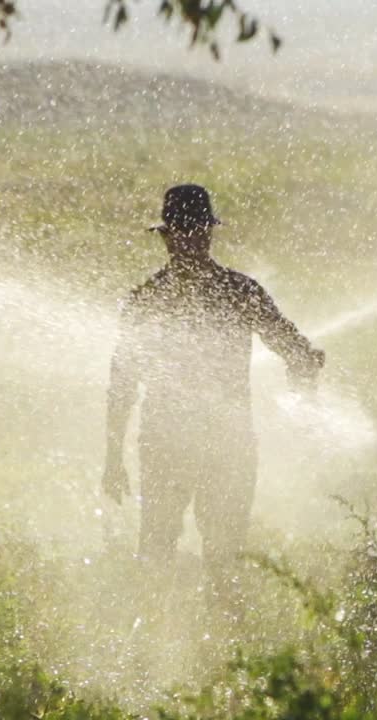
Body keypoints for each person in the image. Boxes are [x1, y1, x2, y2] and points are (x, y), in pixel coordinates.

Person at [101, 184, 324, 611]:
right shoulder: (173, 297)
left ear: (206, 235)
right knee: (160, 553)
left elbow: (292, 349)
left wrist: (306, 368)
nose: (188, 240)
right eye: (182, 232)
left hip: (220, 447)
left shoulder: (220, 293)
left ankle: (215, 650)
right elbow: (122, 382)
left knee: (218, 558)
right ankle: (160, 645)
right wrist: (113, 459)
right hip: (178, 445)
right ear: (168, 237)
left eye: (195, 232)